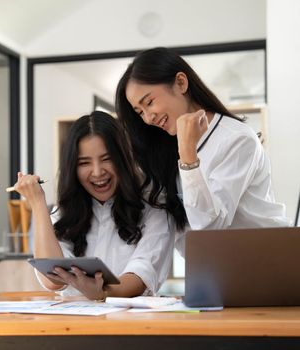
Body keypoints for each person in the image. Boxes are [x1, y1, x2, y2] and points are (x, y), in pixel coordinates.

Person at [115, 47, 290, 256]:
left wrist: (188, 155)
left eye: (149, 102)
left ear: (181, 83)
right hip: (219, 268)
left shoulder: (237, 139)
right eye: (139, 112)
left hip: (270, 258)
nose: (148, 118)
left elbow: (209, 230)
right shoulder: (164, 148)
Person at [12, 111, 173, 300]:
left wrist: (103, 292)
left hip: (131, 323)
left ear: (123, 158)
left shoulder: (154, 206)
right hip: (72, 325)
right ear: (73, 167)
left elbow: (141, 274)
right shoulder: (65, 211)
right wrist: (38, 203)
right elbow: (53, 279)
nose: (97, 172)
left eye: (107, 159)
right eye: (84, 162)